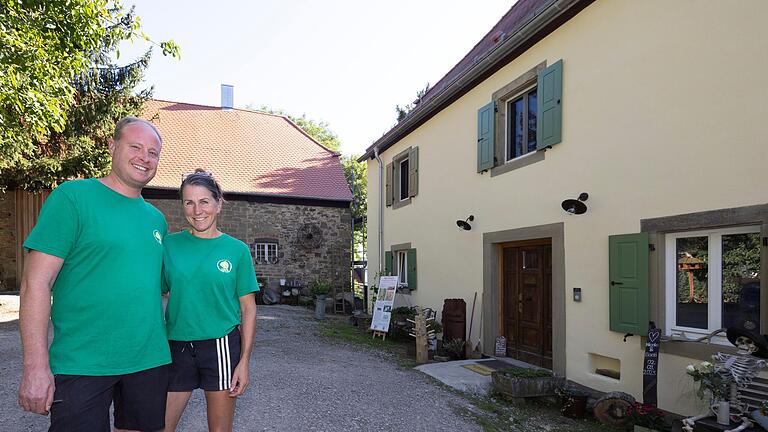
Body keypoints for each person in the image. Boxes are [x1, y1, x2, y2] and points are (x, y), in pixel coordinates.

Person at [18, 117, 171, 432]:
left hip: (148, 361)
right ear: (113, 146)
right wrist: (35, 366)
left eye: (153, 152)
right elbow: (35, 282)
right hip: (83, 362)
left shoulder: (157, 220)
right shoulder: (73, 197)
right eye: (136, 147)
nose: (145, 157)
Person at [162, 169, 258, 432]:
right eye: (189, 202)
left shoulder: (237, 250)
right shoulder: (169, 246)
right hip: (176, 346)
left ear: (218, 203)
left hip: (221, 347)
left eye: (204, 201)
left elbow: (248, 309)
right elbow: (155, 294)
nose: (197, 210)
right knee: (161, 426)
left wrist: (244, 362)